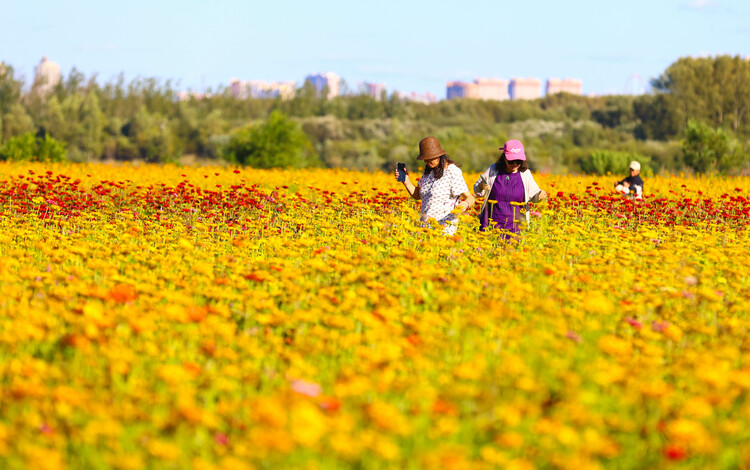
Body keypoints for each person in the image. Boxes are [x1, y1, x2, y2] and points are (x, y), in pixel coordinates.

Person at [395, 136, 475, 235]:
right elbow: (417, 195)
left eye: (430, 159)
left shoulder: (451, 171)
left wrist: (465, 204)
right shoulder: (428, 172)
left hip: (444, 228)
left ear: (439, 156)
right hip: (425, 227)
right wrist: (406, 181)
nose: (427, 162)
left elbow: (470, 198)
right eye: (425, 159)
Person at [473, 139, 547, 236]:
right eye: (511, 161)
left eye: (518, 161)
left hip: (516, 227)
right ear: (504, 158)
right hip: (491, 224)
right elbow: (477, 190)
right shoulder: (493, 169)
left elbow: (534, 196)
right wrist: (482, 186)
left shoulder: (525, 174)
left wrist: (540, 195)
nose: (515, 164)